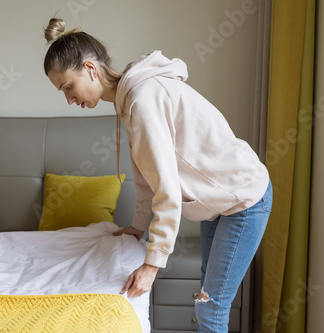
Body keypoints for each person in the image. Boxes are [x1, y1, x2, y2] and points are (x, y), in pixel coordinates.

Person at [43, 17, 272, 332]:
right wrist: (138, 227)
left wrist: (152, 264)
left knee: (210, 308)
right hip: (215, 202)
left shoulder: (141, 100)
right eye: (62, 91)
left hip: (242, 198)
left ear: (90, 69)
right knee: (206, 296)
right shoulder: (128, 100)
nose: (69, 98)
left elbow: (167, 190)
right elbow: (146, 178)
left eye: (68, 86)